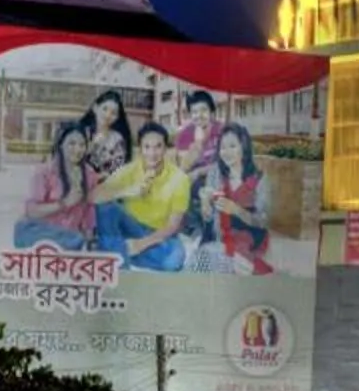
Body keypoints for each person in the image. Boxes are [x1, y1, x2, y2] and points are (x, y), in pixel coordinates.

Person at [93, 123, 195, 271]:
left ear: (165, 148)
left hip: (160, 234)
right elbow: (94, 196)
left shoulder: (179, 179)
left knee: (173, 261)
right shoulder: (129, 170)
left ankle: (118, 252)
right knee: (105, 207)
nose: (152, 153)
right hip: (131, 227)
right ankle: (121, 257)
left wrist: (140, 244)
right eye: (147, 147)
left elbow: (172, 226)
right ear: (140, 149)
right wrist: (128, 191)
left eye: (158, 147)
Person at [195, 122, 273, 273]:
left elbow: (263, 221)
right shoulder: (215, 174)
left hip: (248, 236)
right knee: (202, 262)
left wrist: (237, 210)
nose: (227, 152)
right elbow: (208, 219)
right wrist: (205, 205)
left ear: (244, 147)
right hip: (220, 234)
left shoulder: (259, 179)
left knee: (232, 265)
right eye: (223, 147)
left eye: (232, 146)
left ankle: (256, 270)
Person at [12, 116, 98, 248]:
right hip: (41, 232)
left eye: (82, 145)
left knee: (76, 239)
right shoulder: (45, 172)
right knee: (73, 239)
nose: (77, 149)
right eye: (72, 143)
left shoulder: (89, 174)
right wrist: (64, 203)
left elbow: (89, 211)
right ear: (60, 144)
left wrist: (90, 238)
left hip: (69, 237)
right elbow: (31, 211)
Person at [83, 88, 134, 179]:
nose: (107, 115)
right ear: (95, 108)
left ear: (117, 117)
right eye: (104, 109)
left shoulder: (117, 139)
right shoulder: (81, 133)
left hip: (106, 188)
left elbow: (118, 171)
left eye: (113, 113)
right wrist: (92, 146)